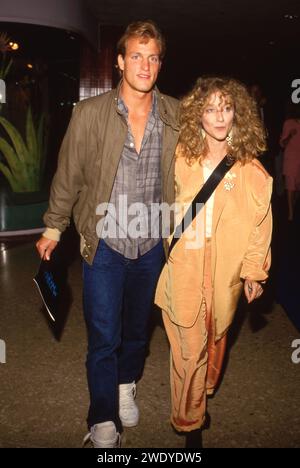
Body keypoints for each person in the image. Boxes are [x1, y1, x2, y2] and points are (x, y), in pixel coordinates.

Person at [36, 20, 179, 448]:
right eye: (136, 55)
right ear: (119, 62)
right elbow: (69, 173)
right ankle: (102, 417)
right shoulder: (90, 113)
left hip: (152, 242)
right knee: (103, 334)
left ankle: (126, 384)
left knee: (137, 330)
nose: (145, 65)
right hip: (105, 243)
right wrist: (53, 226)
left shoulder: (174, 114)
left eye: (153, 57)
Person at [155, 76, 273, 448]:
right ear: (198, 117)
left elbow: (260, 226)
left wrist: (255, 271)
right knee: (189, 349)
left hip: (225, 271)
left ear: (238, 113)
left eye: (226, 108)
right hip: (184, 264)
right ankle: (190, 424)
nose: (219, 117)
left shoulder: (252, 171)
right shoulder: (179, 158)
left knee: (215, 342)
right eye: (210, 109)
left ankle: (202, 391)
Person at [279, 104, 300, 221]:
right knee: (290, 186)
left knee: (297, 187)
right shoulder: (288, 123)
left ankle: (293, 204)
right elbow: (282, 144)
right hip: (291, 159)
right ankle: (290, 213)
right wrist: (290, 135)